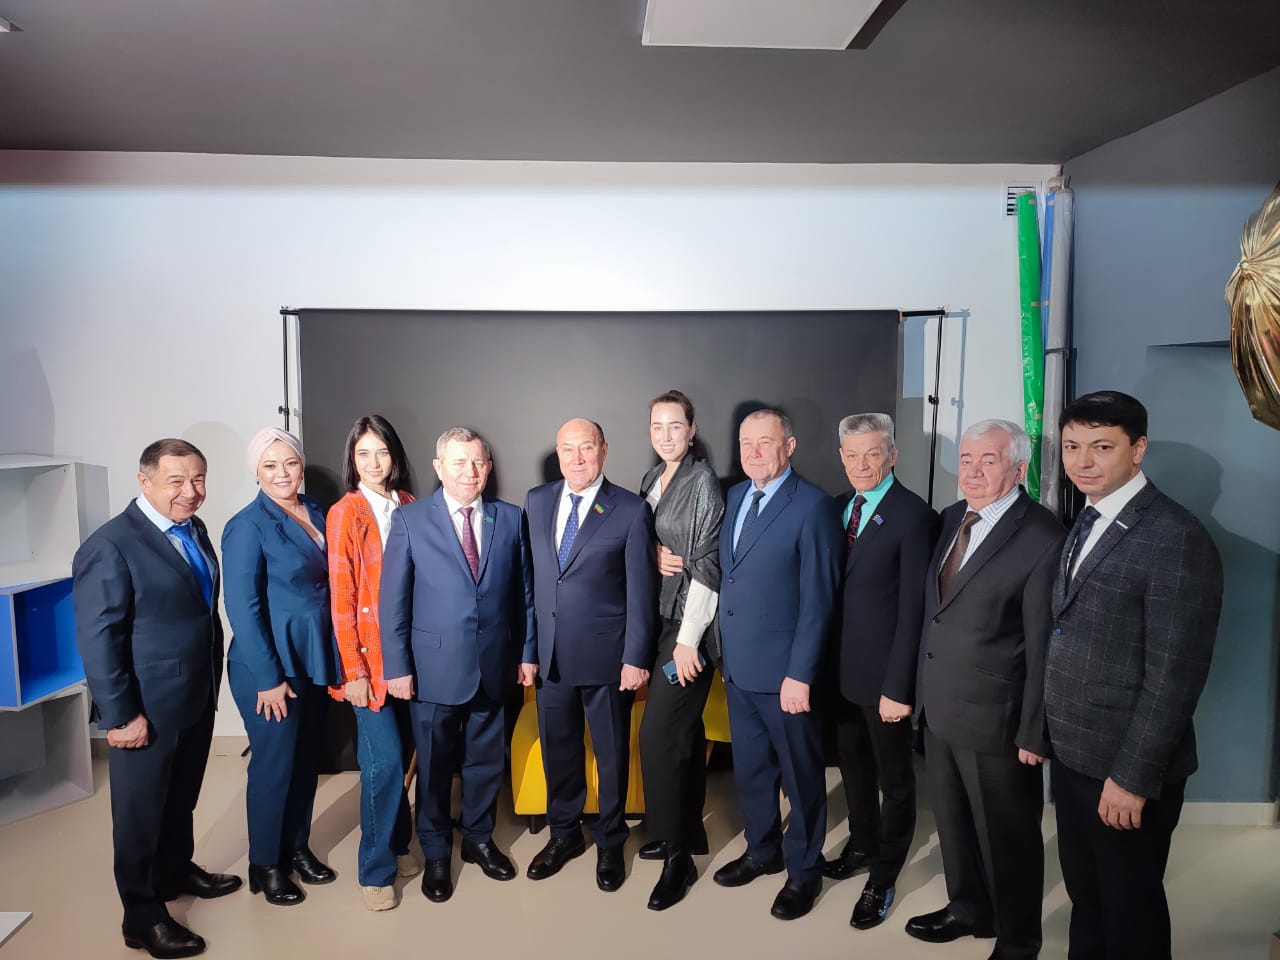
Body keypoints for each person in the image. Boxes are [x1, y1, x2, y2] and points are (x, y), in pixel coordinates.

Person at [1046, 391, 1222, 960]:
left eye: (1101, 447)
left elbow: (1175, 675)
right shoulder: (1087, 515)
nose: (1082, 461)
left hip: (1123, 766)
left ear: (1138, 449)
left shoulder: (1175, 536)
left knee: (1130, 912)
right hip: (1075, 754)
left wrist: (1131, 778)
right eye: (1072, 446)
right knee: (1088, 898)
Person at [73, 439, 240, 959]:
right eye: (176, 481)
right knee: (140, 815)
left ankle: (174, 871)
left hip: (194, 694)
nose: (190, 491)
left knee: (180, 798)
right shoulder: (111, 545)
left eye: (198, 479)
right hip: (144, 707)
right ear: (144, 482)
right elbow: (99, 639)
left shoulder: (194, 529)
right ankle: (142, 917)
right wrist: (122, 715)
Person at [906, 419, 1064, 960]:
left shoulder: (1042, 537)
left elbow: (1043, 645)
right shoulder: (953, 517)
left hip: (999, 720)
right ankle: (968, 907)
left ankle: (1018, 940)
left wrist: (1035, 730)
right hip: (942, 708)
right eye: (967, 459)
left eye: (988, 461)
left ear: (1018, 469)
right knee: (953, 824)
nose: (972, 471)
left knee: (1008, 838)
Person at [381, 427, 536, 903]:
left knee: (485, 762)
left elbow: (525, 595)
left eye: (478, 462)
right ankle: (435, 853)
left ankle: (478, 839)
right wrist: (397, 667)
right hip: (432, 670)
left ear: (488, 467)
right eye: (459, 462)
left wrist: (527, 653)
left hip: (493, 666)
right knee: (433, 767)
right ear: (438, 467)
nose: (470, 472)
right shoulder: (410, 520)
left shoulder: (509, 518)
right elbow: (393, 602)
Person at [713, 409, 843, 921]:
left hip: (786, 677)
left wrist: (801, 674)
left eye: (764, 442)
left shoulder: (812, 506)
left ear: (789, 446)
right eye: (746, 442)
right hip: (739, 669)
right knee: (751, 771)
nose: (753, 452)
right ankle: (762, 850)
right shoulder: (735, 497)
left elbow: (819, 600)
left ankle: (804, 871)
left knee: (802, 776)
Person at [522, 418, 658, 892]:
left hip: (608, 659)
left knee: (612, 754)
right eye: (567, 449)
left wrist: (636, 657)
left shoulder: (630, 509)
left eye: (586, 447)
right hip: (551, 658)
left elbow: (641, 592)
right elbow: (531, 585)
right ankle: (564, 835)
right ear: (558, 453)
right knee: (559, 751)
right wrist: (529, 650)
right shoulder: (537, 501)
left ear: (603, 449)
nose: (577, 458)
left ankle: (610, 841)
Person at [825, 413, 939, 930]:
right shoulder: (837, 508)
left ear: (893, 454)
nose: (861, 465)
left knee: (895, 780)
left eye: (872, 453)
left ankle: (885, 874)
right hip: (840, 674)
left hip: (885, 680)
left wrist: (900, 686)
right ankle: (862, 845)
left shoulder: (914, 516)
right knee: (852, 767)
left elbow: (915, 610)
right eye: (852, 455)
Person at [222, 427, 339, 906]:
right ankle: (265, 865)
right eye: (269, 466)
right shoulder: (246, 526)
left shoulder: (317, 510)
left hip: (312, 657)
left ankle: (296, 848)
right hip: (267, 666)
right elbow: (242, 609)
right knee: (274, 766)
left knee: (306, 761)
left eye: (289, 463)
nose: (281, 473)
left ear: (302, 464)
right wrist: (269, 679)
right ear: (256, 471)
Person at [325, 415, 420, 911]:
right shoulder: (346, 512)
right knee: (382, 765)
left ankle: (400, 843)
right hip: (368, 661)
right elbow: (341, 599)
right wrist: (354, 672)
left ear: (394, 455)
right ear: (352, 460)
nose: (373, 462)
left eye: (381, 452)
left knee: (403, 759)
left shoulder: (409, 503)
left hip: (409, 656)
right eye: (363, 454)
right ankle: (375, 870)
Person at [636, 390, 724, 911]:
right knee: (684, 735)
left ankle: (677, 860)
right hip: (661, 622)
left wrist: (689, 640)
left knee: (658, 736)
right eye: (657, 426)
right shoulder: (654, 478)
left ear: (692, 430)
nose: (666, 435)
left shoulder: (702, 481)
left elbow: (708, 564)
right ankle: (688, 830)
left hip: (690, 630)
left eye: (675, 426)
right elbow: (647, 539)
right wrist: (652, 553)